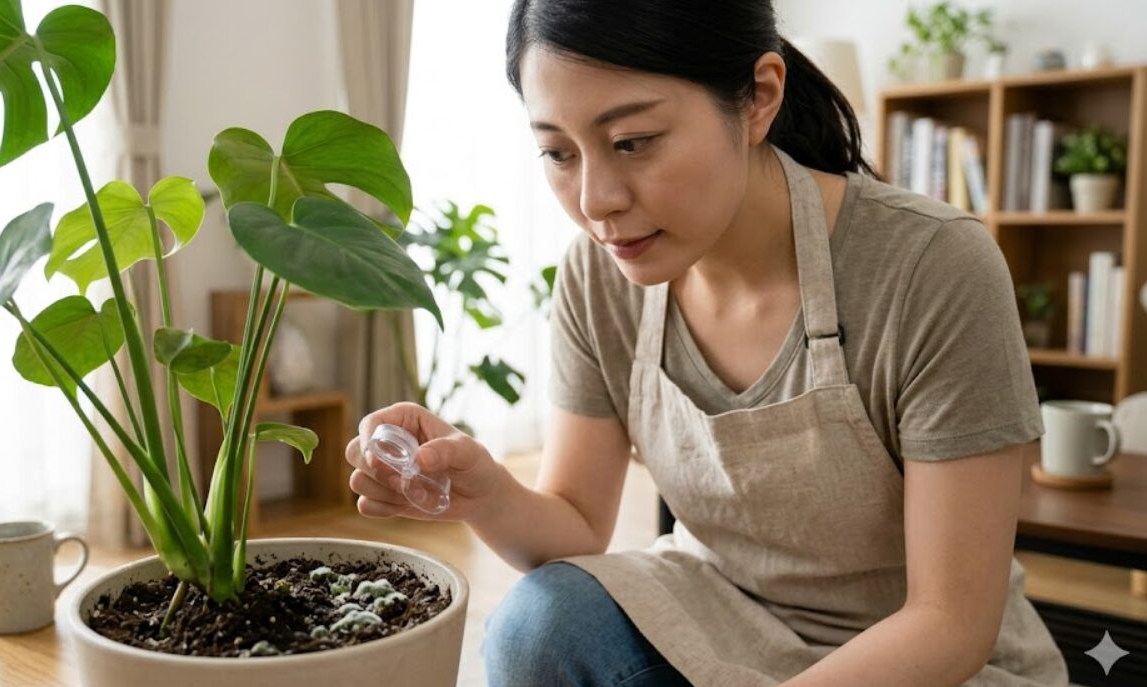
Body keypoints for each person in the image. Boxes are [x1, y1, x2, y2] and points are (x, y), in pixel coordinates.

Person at [344, 1, 1069, 685]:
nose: (596, 202)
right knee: (538, 623)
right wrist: (484, 492)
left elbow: (950, 620)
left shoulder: (930, 265)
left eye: (633, 142)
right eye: (558, 153)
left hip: (922, 659)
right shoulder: (600, 277)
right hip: (719, 620)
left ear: (757, 97)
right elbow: (573, 529)